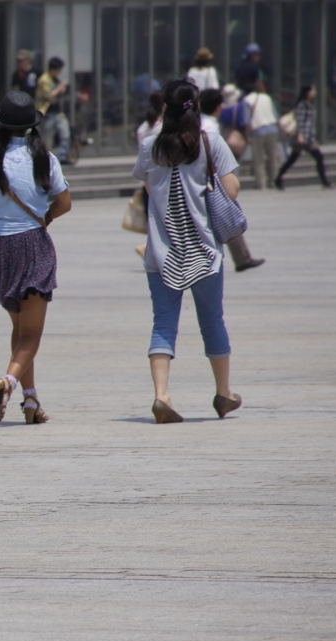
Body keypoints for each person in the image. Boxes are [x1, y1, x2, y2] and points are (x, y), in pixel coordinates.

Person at [132, 79, 243, 423]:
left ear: (164, 107)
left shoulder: (150, 145)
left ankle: (162, 397)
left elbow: (148, 186)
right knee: (212, 319)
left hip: (162, 252)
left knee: (163, 324)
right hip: (204, 252)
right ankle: (224, 394)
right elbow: (232, 190)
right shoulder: (210, 142)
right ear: (195, 106)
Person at [0, 91, 72, 426]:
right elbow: (64, 203)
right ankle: (8, 382)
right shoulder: (44, 158)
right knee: (31, 335)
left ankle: (31, 400)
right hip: (32, 245)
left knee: (20, 329)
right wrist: (43, 219)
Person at [199, 88, 265, 272]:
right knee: (226, 215)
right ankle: (241, 258)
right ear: (219, 107)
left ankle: (242, 257)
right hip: (212, 180)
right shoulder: (210, 126)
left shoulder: (198, 122)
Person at [275, 84, 336, 190]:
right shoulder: (302, 105)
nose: (315, 92)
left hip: (308, 137)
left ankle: (278, 178)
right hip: (303, 137)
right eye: (313, 90)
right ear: (308, 92)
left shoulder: (308, 104)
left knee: (297, 158)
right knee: (315, 157)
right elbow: (300, 121)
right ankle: (324, 182)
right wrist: (300, 135)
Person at [133, 91, 165, 259]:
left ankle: (151, 250)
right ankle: (150, 249)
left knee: (153, 222)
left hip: (148, 181)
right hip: (164, 180)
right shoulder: (164, 126)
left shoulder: (142, 129)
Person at [241, 83, 280, 190]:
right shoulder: (266, 97)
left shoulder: (247, 100)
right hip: (272, 129)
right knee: (273, 157)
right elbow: (275, 114)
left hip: (257, 130)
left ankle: (261, 183)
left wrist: (246, 135)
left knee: (258, 159)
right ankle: (274, 181)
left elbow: (247, 120)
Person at [35, 57, 71, 164]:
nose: (59, 72)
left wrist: (61, 90)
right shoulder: (44, 79)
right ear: (54, 69)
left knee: (65, 133)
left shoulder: (56, 79)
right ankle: (45, 159)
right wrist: (59, 88)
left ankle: (64, 156)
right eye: (58, 70)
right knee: (47, 137)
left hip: (59, 112)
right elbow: (48, 96)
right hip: (47, 113)